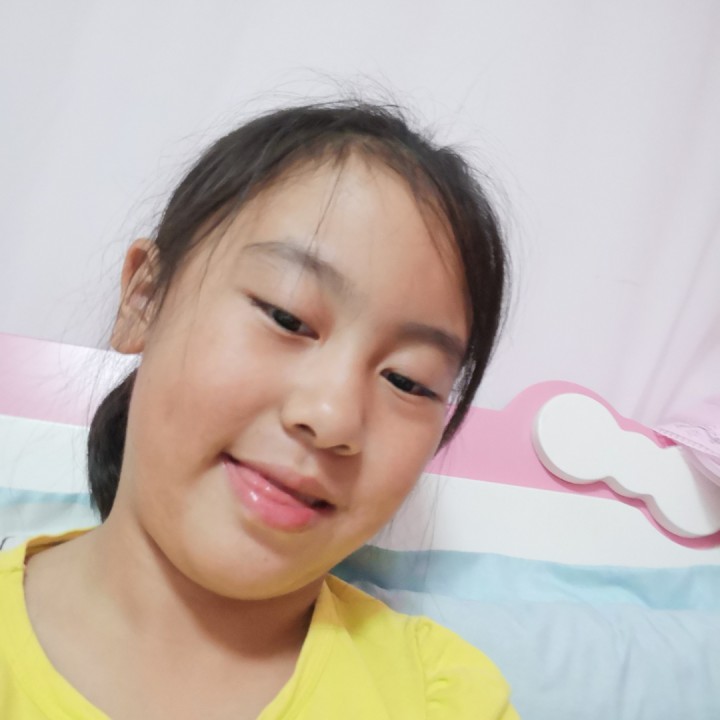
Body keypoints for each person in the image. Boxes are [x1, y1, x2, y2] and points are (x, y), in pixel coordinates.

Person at [0, 100, 518, 719]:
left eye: (408, 380)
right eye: (287, 317)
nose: (332, 417)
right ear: (145, 298)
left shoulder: (444, 697)